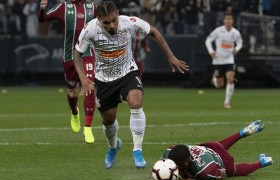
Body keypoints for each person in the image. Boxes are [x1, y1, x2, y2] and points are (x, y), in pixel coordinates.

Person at [73, 1, 189, 169]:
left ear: (118, 14)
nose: (112, 25)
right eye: (106, 22)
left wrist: (170, 56)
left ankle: (137, 150)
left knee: (136, 103)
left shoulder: (129, 22)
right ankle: (113, 146)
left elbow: (154, 32)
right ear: (98, 19)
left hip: (128, 72)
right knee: (108, 120)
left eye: (114, 20)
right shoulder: (90, 29)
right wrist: (83, 78)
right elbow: (77, 53)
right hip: (104, 79)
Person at [38, 0, 97, 143]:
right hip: (69, 56)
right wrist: (42, 10)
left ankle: (88, 127)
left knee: (89, 86)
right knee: (72, 92)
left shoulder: (92, 6)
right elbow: (43, 19)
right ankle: (74, 111)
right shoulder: (63, 7)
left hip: (87, 53)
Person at [163, 120, 273, 180]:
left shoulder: (204, 171)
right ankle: (241, 133)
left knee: (234, 171)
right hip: (210, 147)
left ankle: (262, 162)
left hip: (220, 160)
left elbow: (223, 174)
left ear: (186, 163)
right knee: (219, 145)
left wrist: (194, 178)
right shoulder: (170, 151)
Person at [205, 11, 243, 109]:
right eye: (226, 19)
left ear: (233, 21)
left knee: (230, 79)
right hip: (218, 60)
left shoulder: (236, 33)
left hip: (229, 59)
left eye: (230, 19)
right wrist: (211, 51)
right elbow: (208, 40)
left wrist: (237, 49)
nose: (228, 21)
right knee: (219, 85)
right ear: (224, 21)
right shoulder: (218, 31)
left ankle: (226, 102)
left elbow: (240, 42)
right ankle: (214, 79)